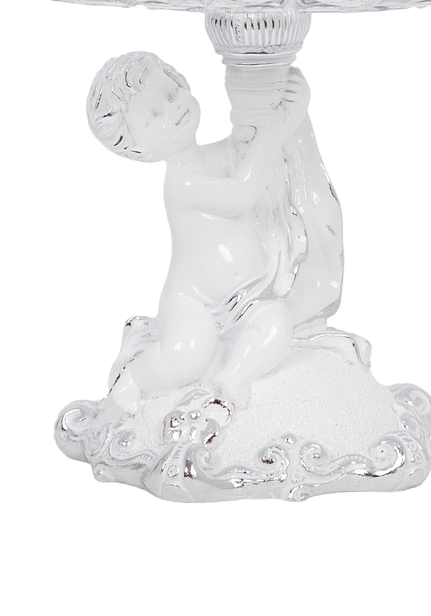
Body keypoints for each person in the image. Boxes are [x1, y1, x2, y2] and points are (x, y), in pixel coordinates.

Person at [86, 51, 308, 412]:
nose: (172, 109)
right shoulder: (181, 183)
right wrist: (274, 134)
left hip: (249, 298)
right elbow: (241, 193)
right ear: (138, 150)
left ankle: (233, 375)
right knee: (188, 356)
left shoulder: (220, 153)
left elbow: (250, 153)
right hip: (194, 302)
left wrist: (292, 113)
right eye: (154, 115)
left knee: (276, 326)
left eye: (172, 93)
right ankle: (135, 377)